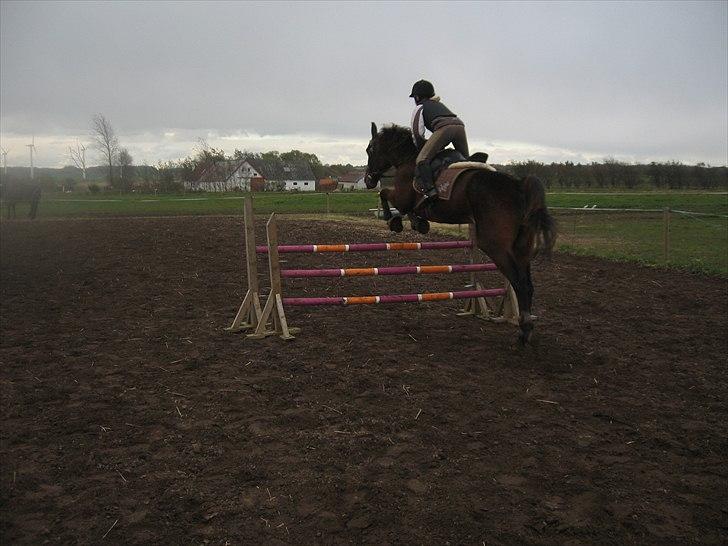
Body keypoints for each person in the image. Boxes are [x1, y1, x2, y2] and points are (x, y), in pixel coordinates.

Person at [409, 80, 470, 201]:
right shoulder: (438, 104)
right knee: (465, 161)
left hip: (444, 128)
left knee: (421, 160)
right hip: (460, 126)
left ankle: (431, 192)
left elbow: (417, 132)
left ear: (417, 97)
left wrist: (422, 148)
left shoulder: (420, 107)